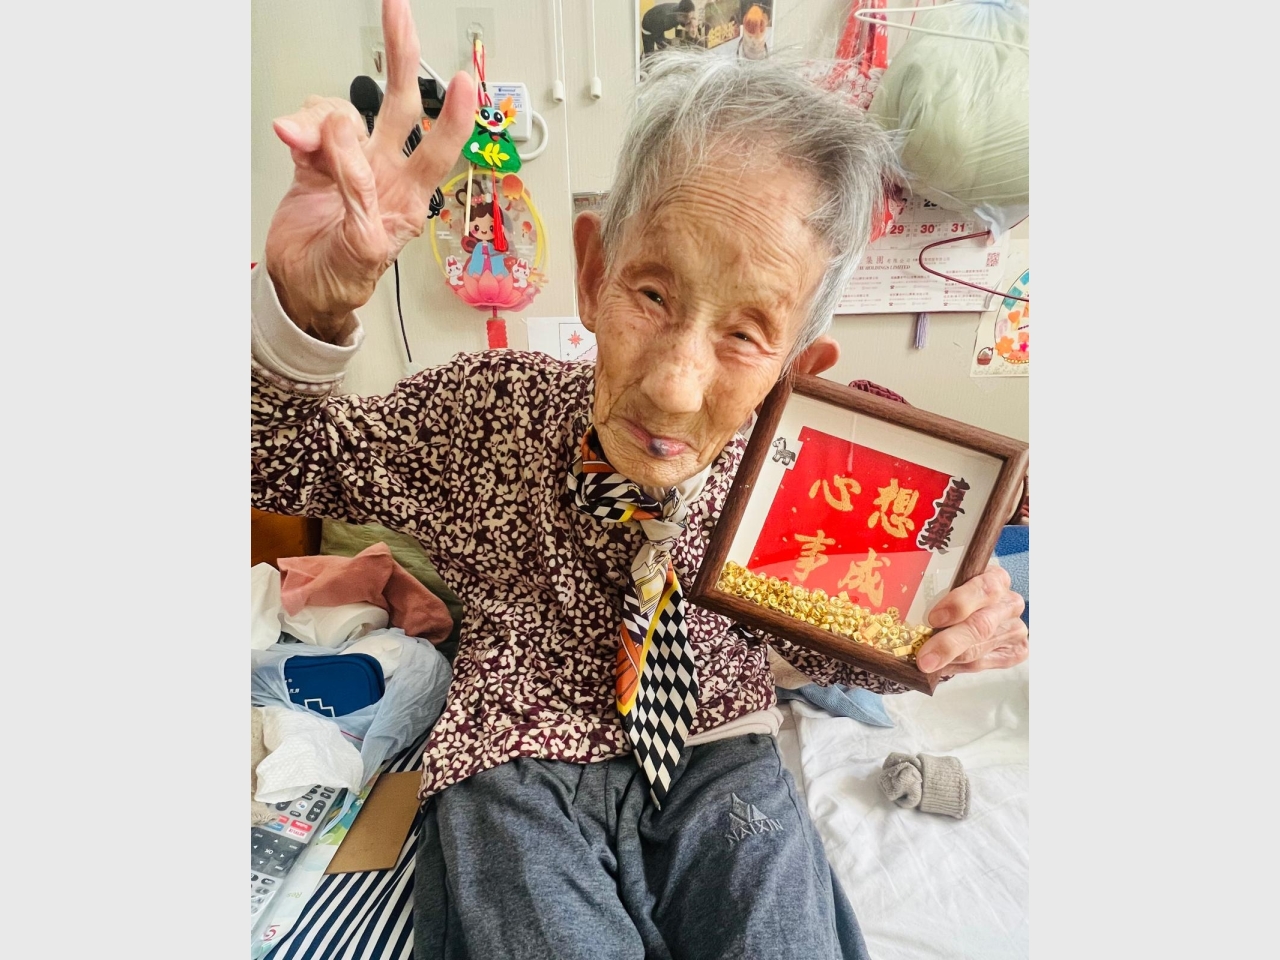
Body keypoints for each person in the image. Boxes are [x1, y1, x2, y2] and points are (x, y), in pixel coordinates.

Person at [252, 2, 1029, 957]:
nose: (673, 386)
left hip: (720, 747)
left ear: (797, 367)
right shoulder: (489, 411)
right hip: (513, 747)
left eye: (745, 334)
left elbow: (840, 644)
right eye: (652, 294)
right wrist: (305, 311)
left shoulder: (801, 479)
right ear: (593, 275)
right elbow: (279, 455)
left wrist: (940, 633)